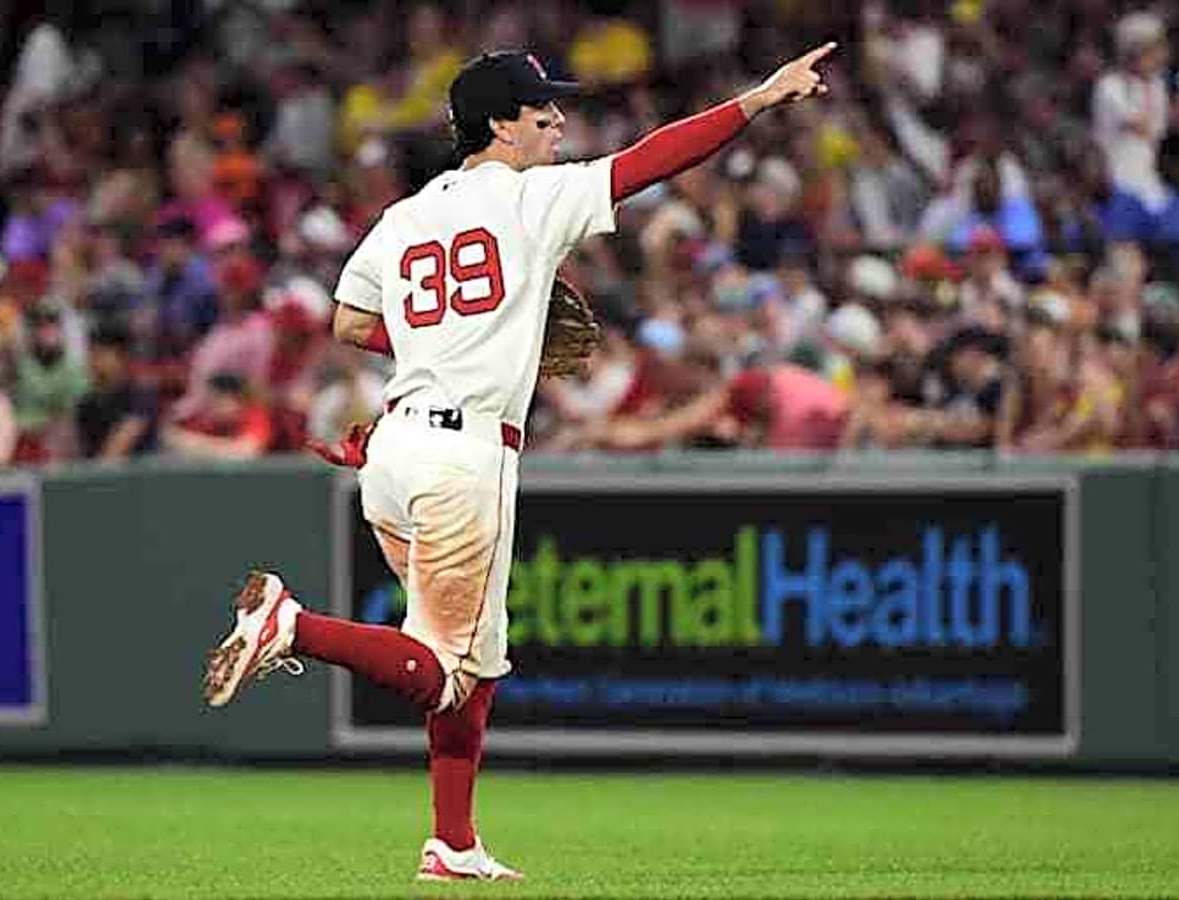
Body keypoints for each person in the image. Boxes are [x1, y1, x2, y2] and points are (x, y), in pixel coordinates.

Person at [199, 42, 837, 882]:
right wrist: (756, 99)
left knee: (475, 658)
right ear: (499, 125)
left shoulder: (405, 215)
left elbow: (350, 324)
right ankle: (293, 624)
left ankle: (453, 843)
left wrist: (437, 342)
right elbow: (654, 159)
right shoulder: (535, 198)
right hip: (465, 457)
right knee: (447, 671)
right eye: (542, 113)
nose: (559, 122)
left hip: (392, 449)